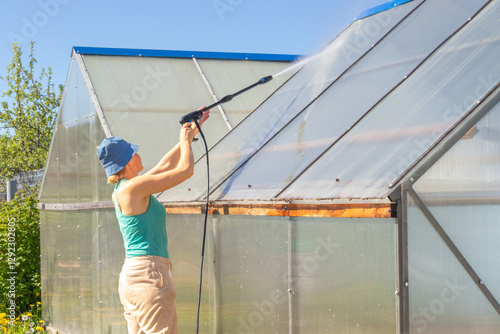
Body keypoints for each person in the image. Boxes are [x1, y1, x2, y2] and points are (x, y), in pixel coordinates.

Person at [96, 110, 209, 334]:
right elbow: (185, 171)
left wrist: (190, 133)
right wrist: (185, 141)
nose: (138, 154)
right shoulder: (133, 188)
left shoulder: (125, 188)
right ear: (128, 161)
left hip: (133, 278)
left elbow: (165, 166)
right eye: (134, 152)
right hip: (149, 276)